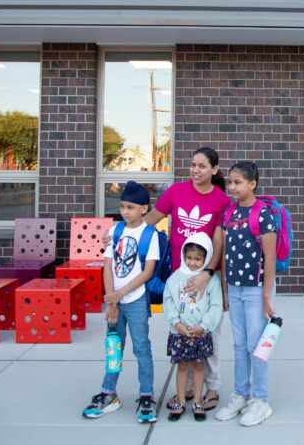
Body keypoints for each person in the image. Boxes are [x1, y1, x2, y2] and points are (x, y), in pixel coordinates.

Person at [103, 146, 231, 410]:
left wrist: (209, 273)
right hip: (179, 277)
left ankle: (212, 388)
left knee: (209, 333)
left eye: (202, 166)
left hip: (206, 278)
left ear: (214, 170)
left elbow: (219, 242)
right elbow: (147, 220)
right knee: (182, 332)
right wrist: (120, 232)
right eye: (193, 164)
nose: (195, 170)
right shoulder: (176, 192)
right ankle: (185, 389)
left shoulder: (221, 200)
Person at [82, 180, 159, 423]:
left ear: (144, 209)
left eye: (130, 207)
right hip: (115, 302)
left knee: (141, 348)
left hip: (135, 300)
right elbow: (107, 266)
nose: (125, 211)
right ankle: (109, 392)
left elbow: (147, 272)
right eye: (122, 206)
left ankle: (146, 394)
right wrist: (111, 300)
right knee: (114, 346)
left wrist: (120, 294)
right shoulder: (115, 231)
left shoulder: (150, 234)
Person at [214, 161, 278, 427]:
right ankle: (240, 395)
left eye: (238, 182)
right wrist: (226, 289)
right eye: (230, 182)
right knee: (240, 345)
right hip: (236, 288)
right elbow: (227, 255)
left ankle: (260, 400)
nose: (232, 187)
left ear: (252, 184)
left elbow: (270, 258)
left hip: (256, 290)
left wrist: (266, 297)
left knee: (256, 347)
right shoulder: (229, 213)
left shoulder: (263, 214)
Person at [163, 231, 223, 421]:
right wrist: (176, 323)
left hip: (200, 334)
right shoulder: (175, 278)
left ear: (206, 259)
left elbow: (216, 306)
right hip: (180, 333)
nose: (192, 262)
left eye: (198, 259)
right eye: (189, 257)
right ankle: (181, 401)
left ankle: (197, 401)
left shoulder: (211, 281)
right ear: (183, 255)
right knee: (182, 367)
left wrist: (204, 326)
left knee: (199, 367)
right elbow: (168, 301)